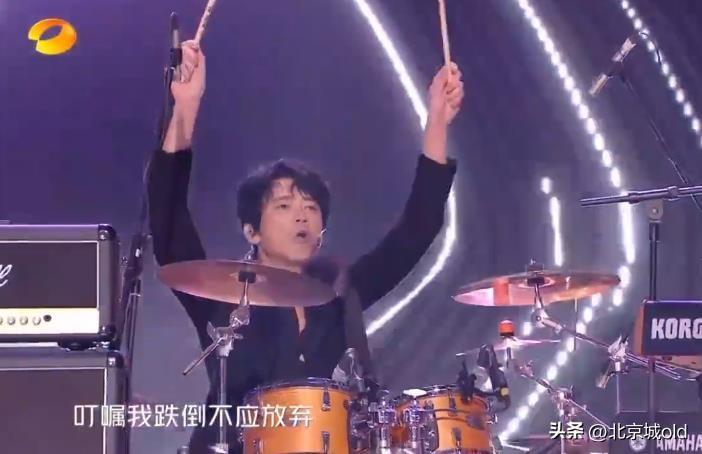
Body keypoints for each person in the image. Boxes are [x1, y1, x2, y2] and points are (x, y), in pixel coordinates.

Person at [147, 40, 464, 453]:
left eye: (311, 207)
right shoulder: (221, 293)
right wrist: (186, 107)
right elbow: (168, 222)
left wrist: (437, 121)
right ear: (251, 231)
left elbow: (417, 231)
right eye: (284, 206)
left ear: (322, 232)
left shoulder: (339, 294)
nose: (302, 215)